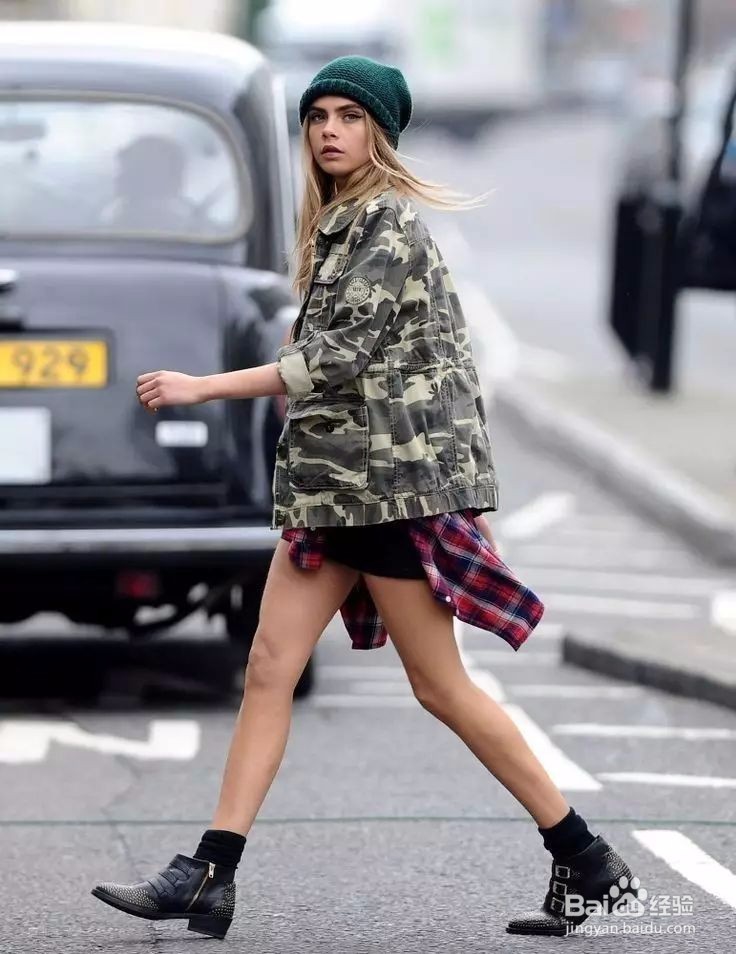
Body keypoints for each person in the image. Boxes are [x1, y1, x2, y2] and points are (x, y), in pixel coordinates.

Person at [91, 56, 641, 939]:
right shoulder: (342, 224)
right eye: (319, 116)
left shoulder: (387, 224)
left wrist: (202, 387)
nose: (329, 130)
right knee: (269, 668)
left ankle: (586, 857)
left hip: (385, 491)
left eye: (349, 116)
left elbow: (333, 362)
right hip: (334, 490)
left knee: (441, 688)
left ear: (380, 131)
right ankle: (209, 873)